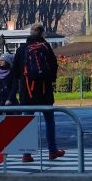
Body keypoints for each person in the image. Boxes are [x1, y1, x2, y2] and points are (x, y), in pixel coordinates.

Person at [9, 23, 64, 163]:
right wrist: (49, 80)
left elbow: (15, 72)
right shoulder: (46, 48)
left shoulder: (22, 49)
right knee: (49, 121)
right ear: (42, 33)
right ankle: (52, 150)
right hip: (45, 92)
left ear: (30, 33)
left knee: (27, 122)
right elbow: (53, 66)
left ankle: (26, 154)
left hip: (27, 92)